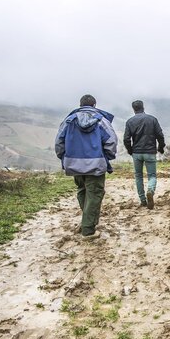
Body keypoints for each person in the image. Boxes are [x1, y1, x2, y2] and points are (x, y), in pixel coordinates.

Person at [55, 94, 118, 237]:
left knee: (82, 190)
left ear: (80, 104)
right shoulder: (101, 121)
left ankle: (88, 220)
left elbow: (59, 143)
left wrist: (65, 158)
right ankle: (88, 229)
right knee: (95, 194)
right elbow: (111, 141)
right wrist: (107, 156)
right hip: (96, 164)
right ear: (94, 105)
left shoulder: (68, 121)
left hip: (73, 163)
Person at [123, 100, 165, 209]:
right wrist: (161, 147)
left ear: (133, 109)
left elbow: (126, 139)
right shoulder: (152, 119)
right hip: (150, 152)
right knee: (152, 175)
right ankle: (150, 190)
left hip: (137, 153)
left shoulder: (130, 121)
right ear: (143, 107)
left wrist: (130, 150)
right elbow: (160, 135)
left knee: (138, 176)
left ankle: (143, 200)